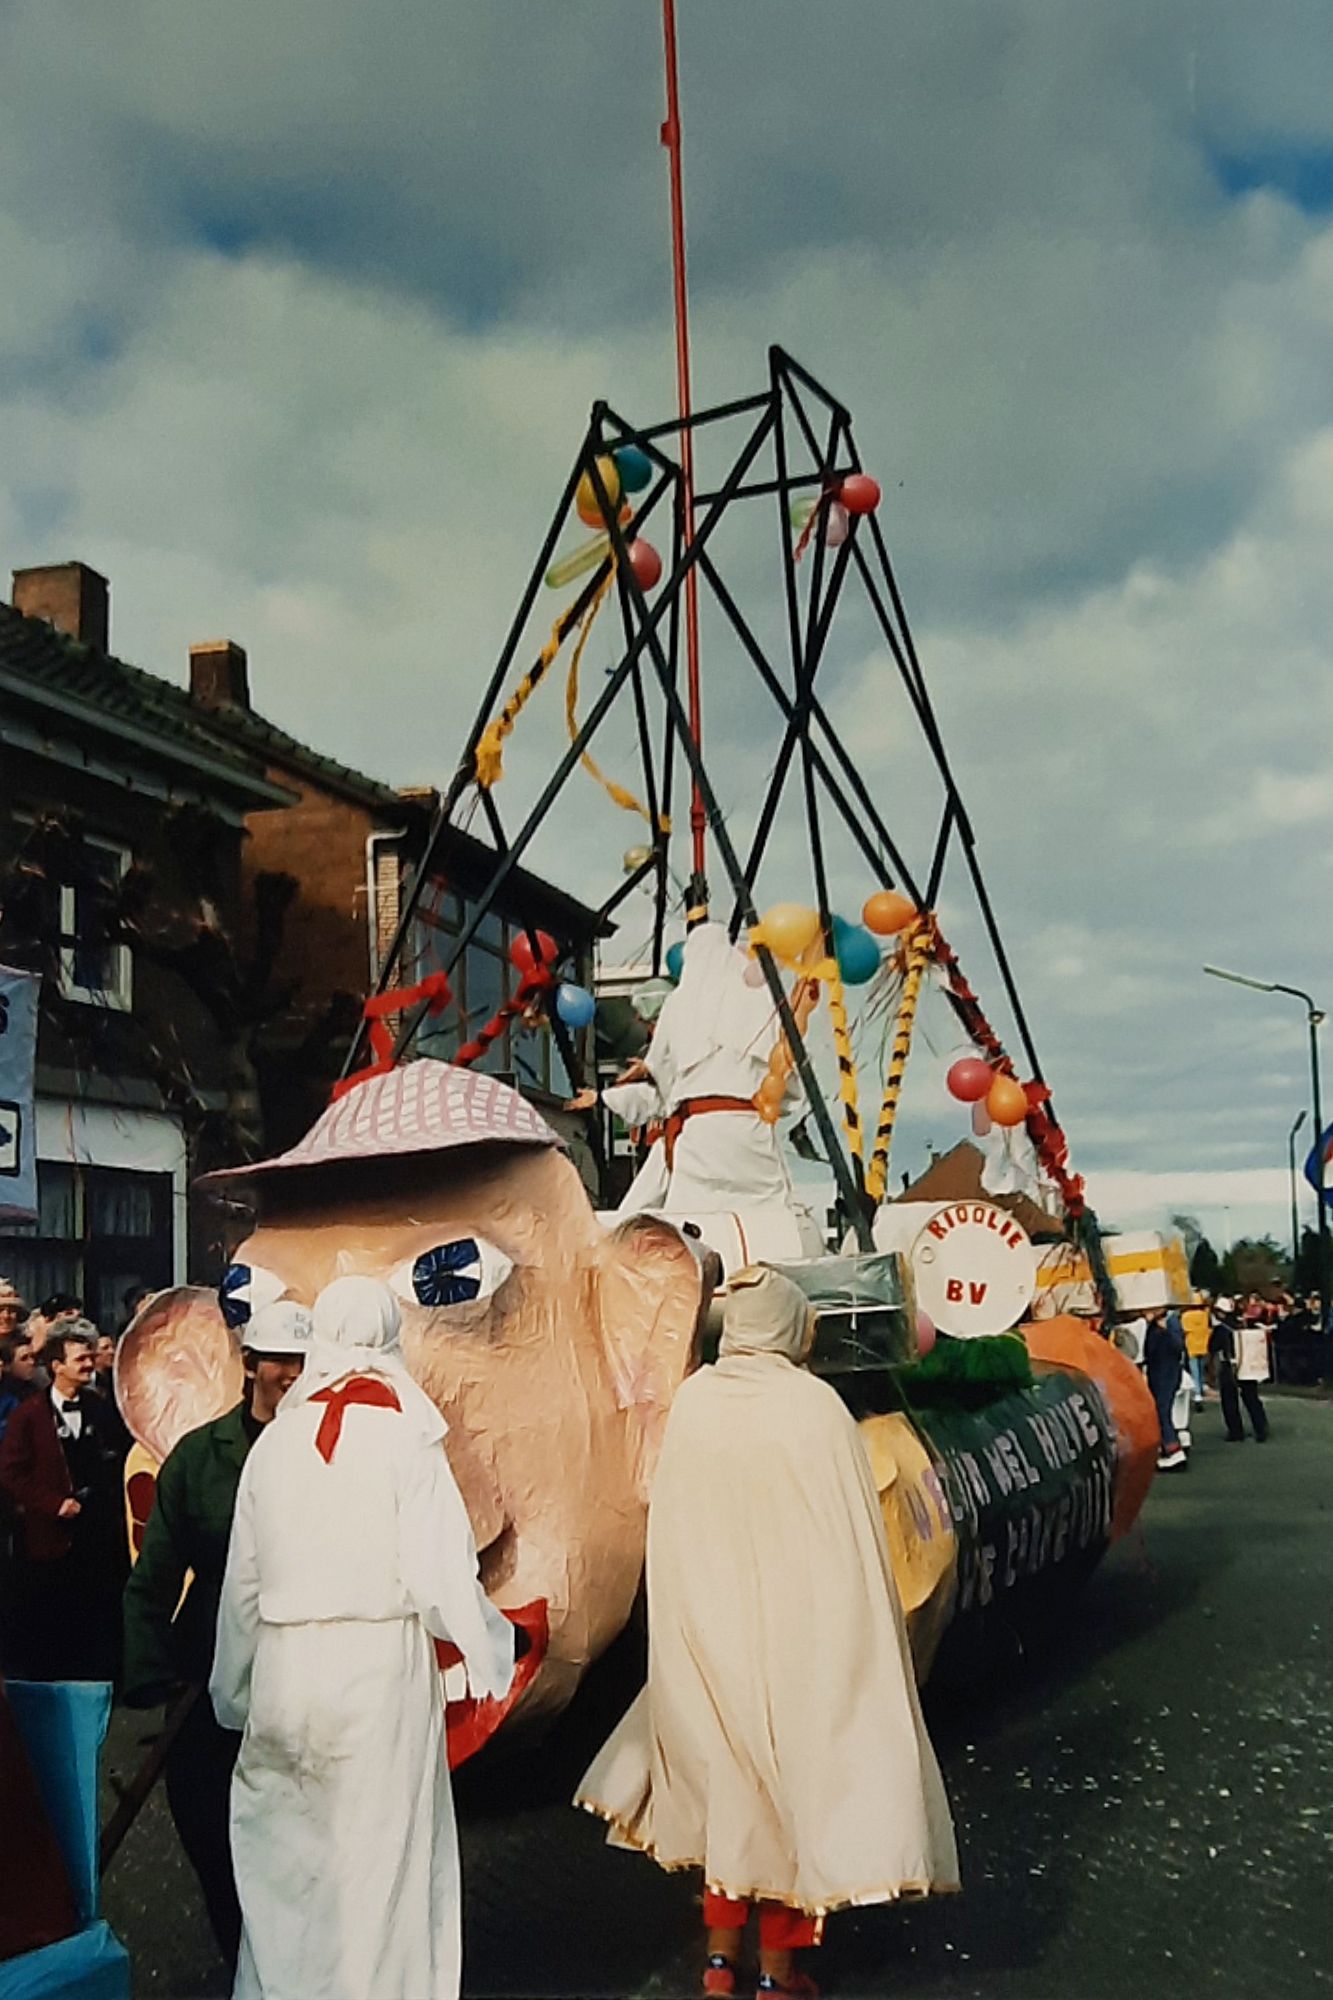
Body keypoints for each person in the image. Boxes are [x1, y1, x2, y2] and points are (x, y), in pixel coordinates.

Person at [576, 1265, 959, 2000]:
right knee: (791, 1798)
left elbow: (672, 1521)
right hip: (797, 1637)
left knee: (728, 1796)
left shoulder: (695, 1401)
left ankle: (720, 1966)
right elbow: (850, 1540)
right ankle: (777, 1977)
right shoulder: (814, 1407)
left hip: (706, 1629)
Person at [211, 1276, 517, 2000]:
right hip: (378, 1668)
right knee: (380, 1863)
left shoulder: (276, 1442)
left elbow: (242, 1583)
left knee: (288, 1860)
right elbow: (440, 1576)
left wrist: (233, 1690)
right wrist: (492, 1651)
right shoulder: (407, 1435)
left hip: (286, 1664)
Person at [121, 1299, 313, 1971]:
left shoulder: (331, 1454)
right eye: (281, 1360)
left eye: (305, 1361)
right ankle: (243, 1953)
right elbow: (155, 1573)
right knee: (207, 1821)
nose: (293, 1374)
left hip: (303, 1669)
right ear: (251, 1364)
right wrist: (151, 1676)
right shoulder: (200, 1457)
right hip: (208, 1667)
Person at [0, 1326, 127, 1678]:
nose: (88, 1364)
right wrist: (52, 1503)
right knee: (53, 1619)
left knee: (96, 1614)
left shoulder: (99, 1407)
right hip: (50, 1539)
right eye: (80, 1359)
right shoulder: (28, 1415)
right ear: (57, 1366)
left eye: (90, 1357)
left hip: (96, 1536)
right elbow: (10, 1472)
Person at [1210, 1298, 1270, 1443]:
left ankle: (1235, 1431)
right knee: (1251, 1397)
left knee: (1230, 1399)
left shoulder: (1221, 1329)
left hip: (1228, 1366)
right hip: (1247, 1364)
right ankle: (1260, 1428)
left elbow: (1212, 1347)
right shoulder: (1244, 1324)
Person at [1143, 1306, 1188, 1472]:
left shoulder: (1168, 1323)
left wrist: (1162, 1331)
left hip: (1165, 1373)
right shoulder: (1161, 1324)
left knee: (1162, 1411)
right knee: (1162, 1411)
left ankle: (1173, 1449)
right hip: (1164, 1372)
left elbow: (1177, 1347)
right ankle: (1170, 1445)